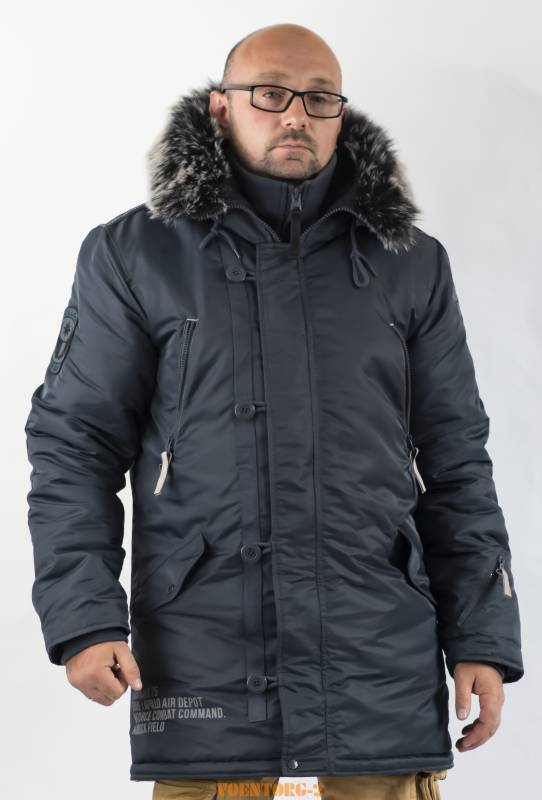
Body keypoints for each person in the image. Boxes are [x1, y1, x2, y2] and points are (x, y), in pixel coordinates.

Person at [24, 22, 524, 800]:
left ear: (341, 116)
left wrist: (482, 637)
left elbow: (456, 456)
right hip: (203, 670)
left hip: (378, 671)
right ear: (222, 107)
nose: (295, 114)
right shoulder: (135, 254)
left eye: (320, 98)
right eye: (271, 93)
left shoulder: (411, 263)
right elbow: (74, 445)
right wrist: (84, 620)